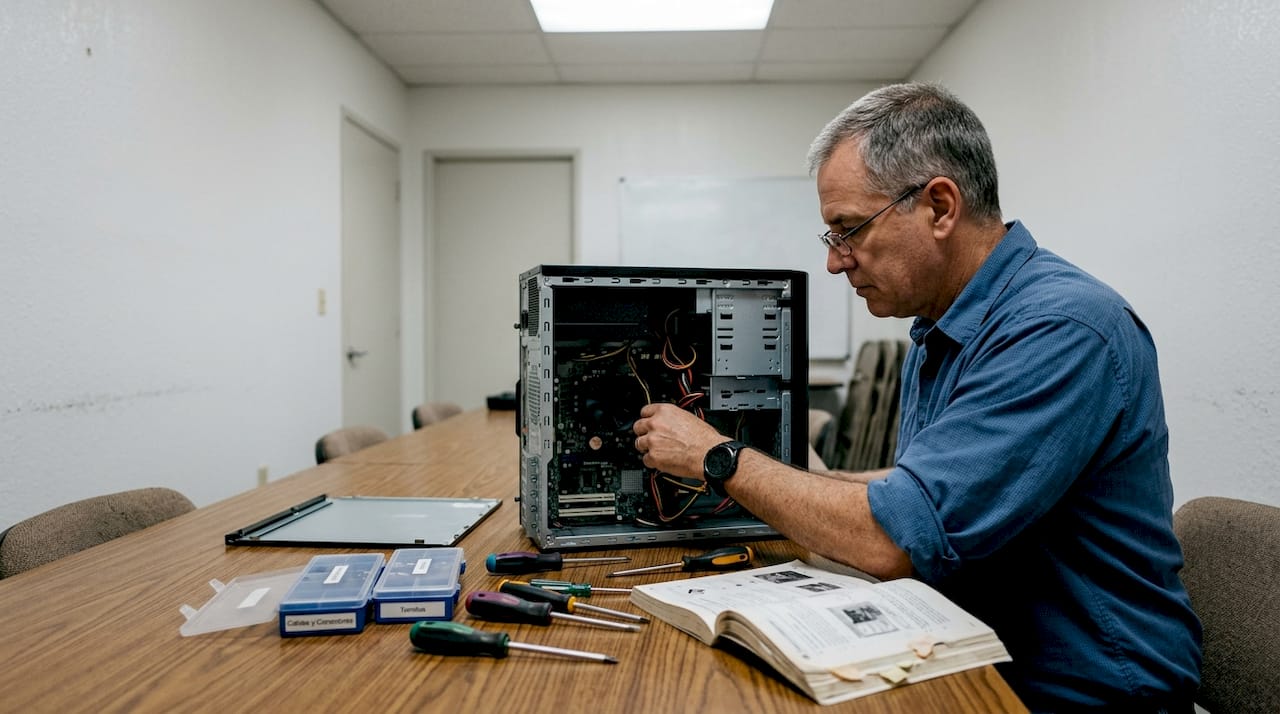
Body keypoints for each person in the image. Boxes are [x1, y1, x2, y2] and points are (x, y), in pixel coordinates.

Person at [631, 82, 1201, 712]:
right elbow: (927, 490)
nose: (836, 262)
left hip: (1080, 691)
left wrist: (719, 458)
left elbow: (898, 538)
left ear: (940, 207)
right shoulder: (941, 326)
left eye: (848, 230)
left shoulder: (1060, 329)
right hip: (972, 650)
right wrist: (816, 480)